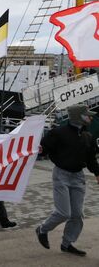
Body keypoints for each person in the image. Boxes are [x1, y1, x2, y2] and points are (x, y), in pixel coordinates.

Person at [36, 104, 99, 256]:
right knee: (64, 212)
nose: (90, 117)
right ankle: (42, 229)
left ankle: (67, 243)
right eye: (87, 115)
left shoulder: (87, 136)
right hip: (61, 176)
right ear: (79, 116)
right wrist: (40, 150)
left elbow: (90, 159)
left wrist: (97, 173)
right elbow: (44, 148)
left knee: (77, 214)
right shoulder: (58, 132)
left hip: (78, 178)